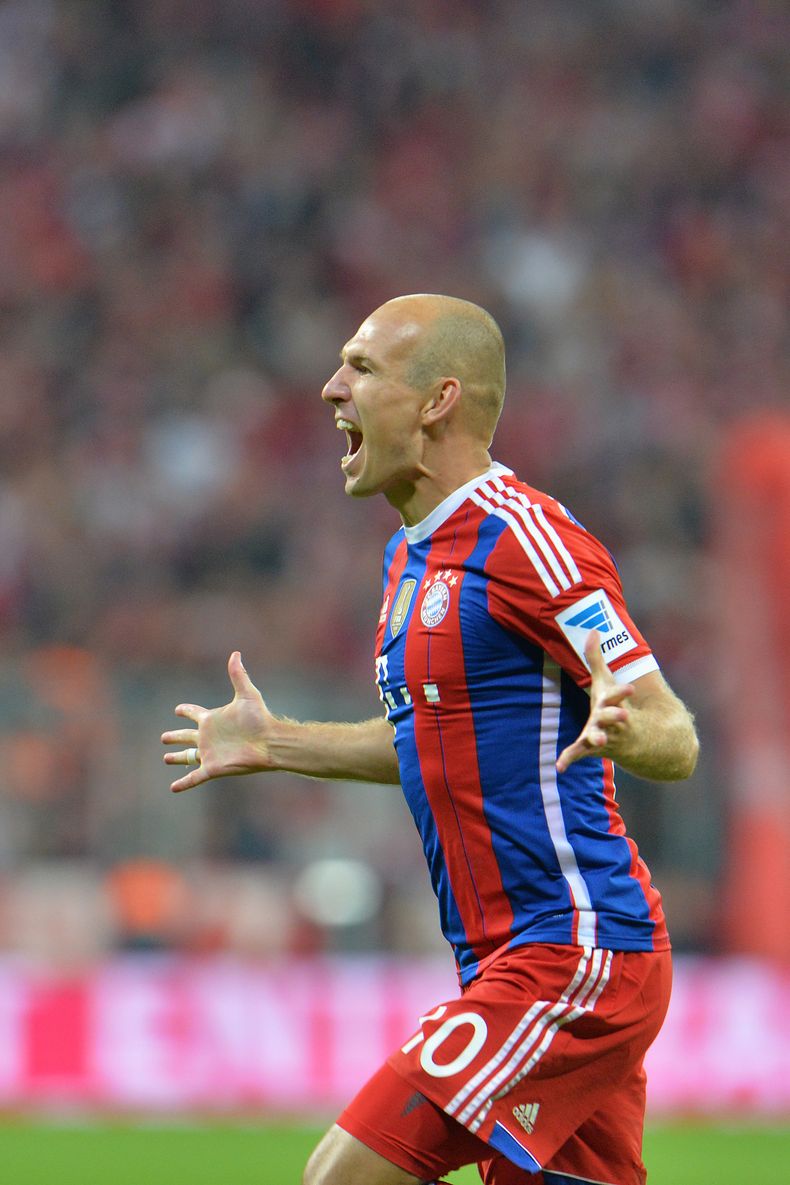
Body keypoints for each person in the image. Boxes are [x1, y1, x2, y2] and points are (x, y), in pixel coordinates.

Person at [162, 294, 699, 1185]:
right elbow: (434, 740)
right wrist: (275, 742)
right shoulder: (410, 557)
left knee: (338, 1177)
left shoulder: (529, 539)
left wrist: (629, 724)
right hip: (513, 958)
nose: (332, 388)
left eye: (363, 369)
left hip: (574, 954)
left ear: (438, 400)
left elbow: (669, 732)